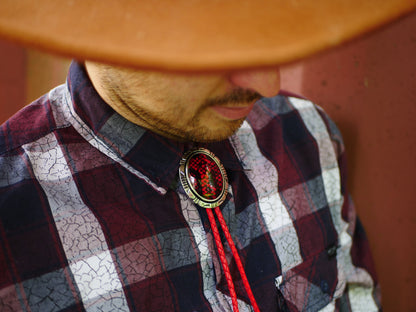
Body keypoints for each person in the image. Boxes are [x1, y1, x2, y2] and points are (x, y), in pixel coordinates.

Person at [0, 1, 415, 311]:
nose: (267, 83)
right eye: (211, 45)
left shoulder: (307, 132)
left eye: (269, 30)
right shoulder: (12, 215)